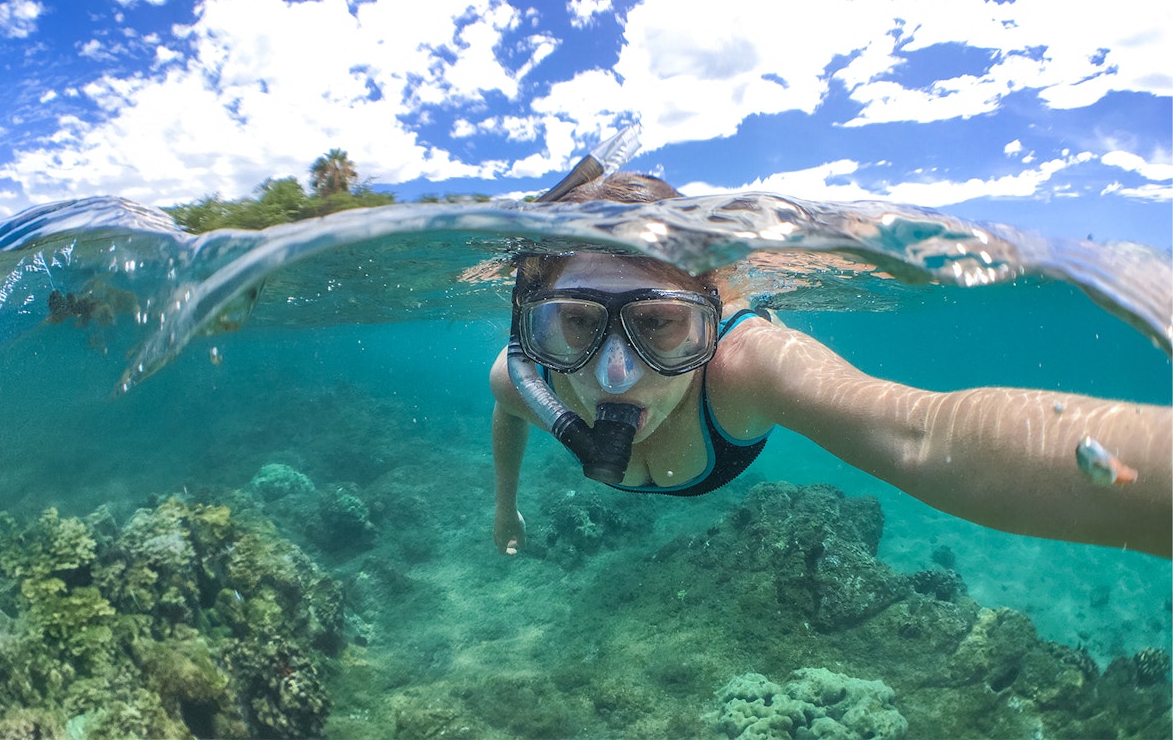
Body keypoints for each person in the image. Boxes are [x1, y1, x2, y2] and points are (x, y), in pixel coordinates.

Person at [490, 173, 1173, 558]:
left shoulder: (746, 369)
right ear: (537, 321)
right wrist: (506, 509)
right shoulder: (526, 375)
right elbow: (508, 408)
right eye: (577, 320)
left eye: (660, 324)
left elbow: (927, 434)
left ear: (710, 317)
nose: (613, 375)